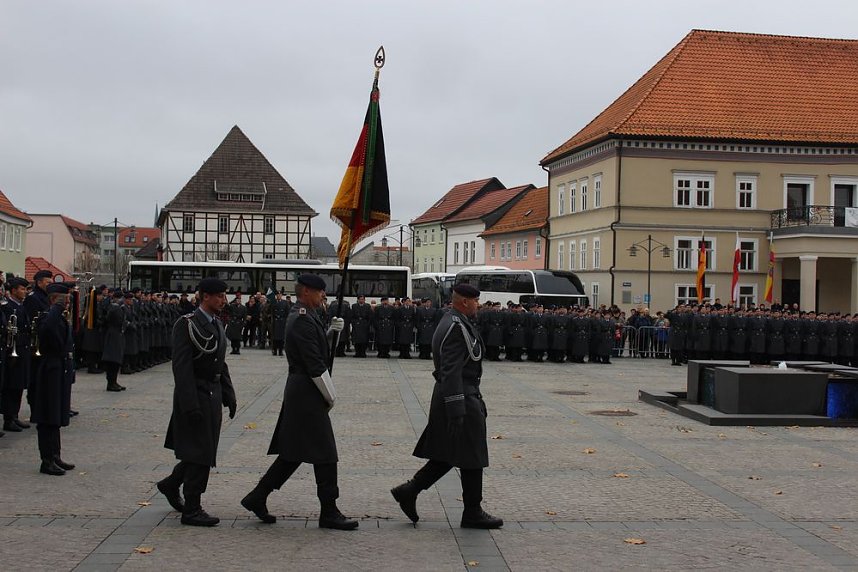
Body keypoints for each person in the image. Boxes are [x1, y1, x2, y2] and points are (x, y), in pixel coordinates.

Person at [241, 274, 357, 530]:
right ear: (305, 291)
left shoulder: (306, 315)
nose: (323, 296)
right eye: (319, 292)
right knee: (326, 454)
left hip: (303, 389)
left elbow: (316, 348)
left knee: (293, 453)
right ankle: (329, 511)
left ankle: (257, 496)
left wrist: (329, 333)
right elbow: (314, 364)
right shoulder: (302, 318)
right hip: (306, 390)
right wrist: (330, 394)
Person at [391, 283, 503, 529]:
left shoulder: (455, 321)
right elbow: (450, 371)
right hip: (459, 396)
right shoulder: (455, 327)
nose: (478, 305)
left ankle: (409, 491)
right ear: (464, 302)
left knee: (449, 454)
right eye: (475, 301)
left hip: (458, 395)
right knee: (472, 456)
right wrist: (457, 409)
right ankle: (472, 511)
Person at [158, 278, 237, 527]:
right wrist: (189, 404)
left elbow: (219, 362)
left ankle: (171, 485)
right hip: (196, 394)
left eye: (223, 296)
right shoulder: (187, 324)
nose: (223, 300)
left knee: (202, 451)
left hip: (212, 393)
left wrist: (229, 393)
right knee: (200, 453)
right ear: (204, 297)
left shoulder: (216, 323)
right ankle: (192, 508)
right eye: (219, 296)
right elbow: (181, 368)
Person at [30, 283, 75, 475]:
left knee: (55, 416)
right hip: (49, 370)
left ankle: (55, 455)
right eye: (64, 300)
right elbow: (47, 330)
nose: (67, 303)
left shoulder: (59, 318)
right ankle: (46, 460)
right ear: (54, 300)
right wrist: (56, 307)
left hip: (59, 370)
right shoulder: (47, 316)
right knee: (47, 416)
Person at [2, 277, 31, 432]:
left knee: (19, 384)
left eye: (25, 289)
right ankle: (8, 418)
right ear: (13, 290)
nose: (24, 292)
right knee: (12, 385)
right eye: (21, 289)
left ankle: (14, 415)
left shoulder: (20, 306)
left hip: (22, 349)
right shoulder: (8, 307)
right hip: (14, 350)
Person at [101, 290, 127, 392]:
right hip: (113, 335)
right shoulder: (114, 308)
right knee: (112, 360)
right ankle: (111, 383)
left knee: (116, 360)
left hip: (117, 335)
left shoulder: (119, 308)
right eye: (121, 298)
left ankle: (114, 382)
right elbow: (113, 319)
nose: (122, 300)